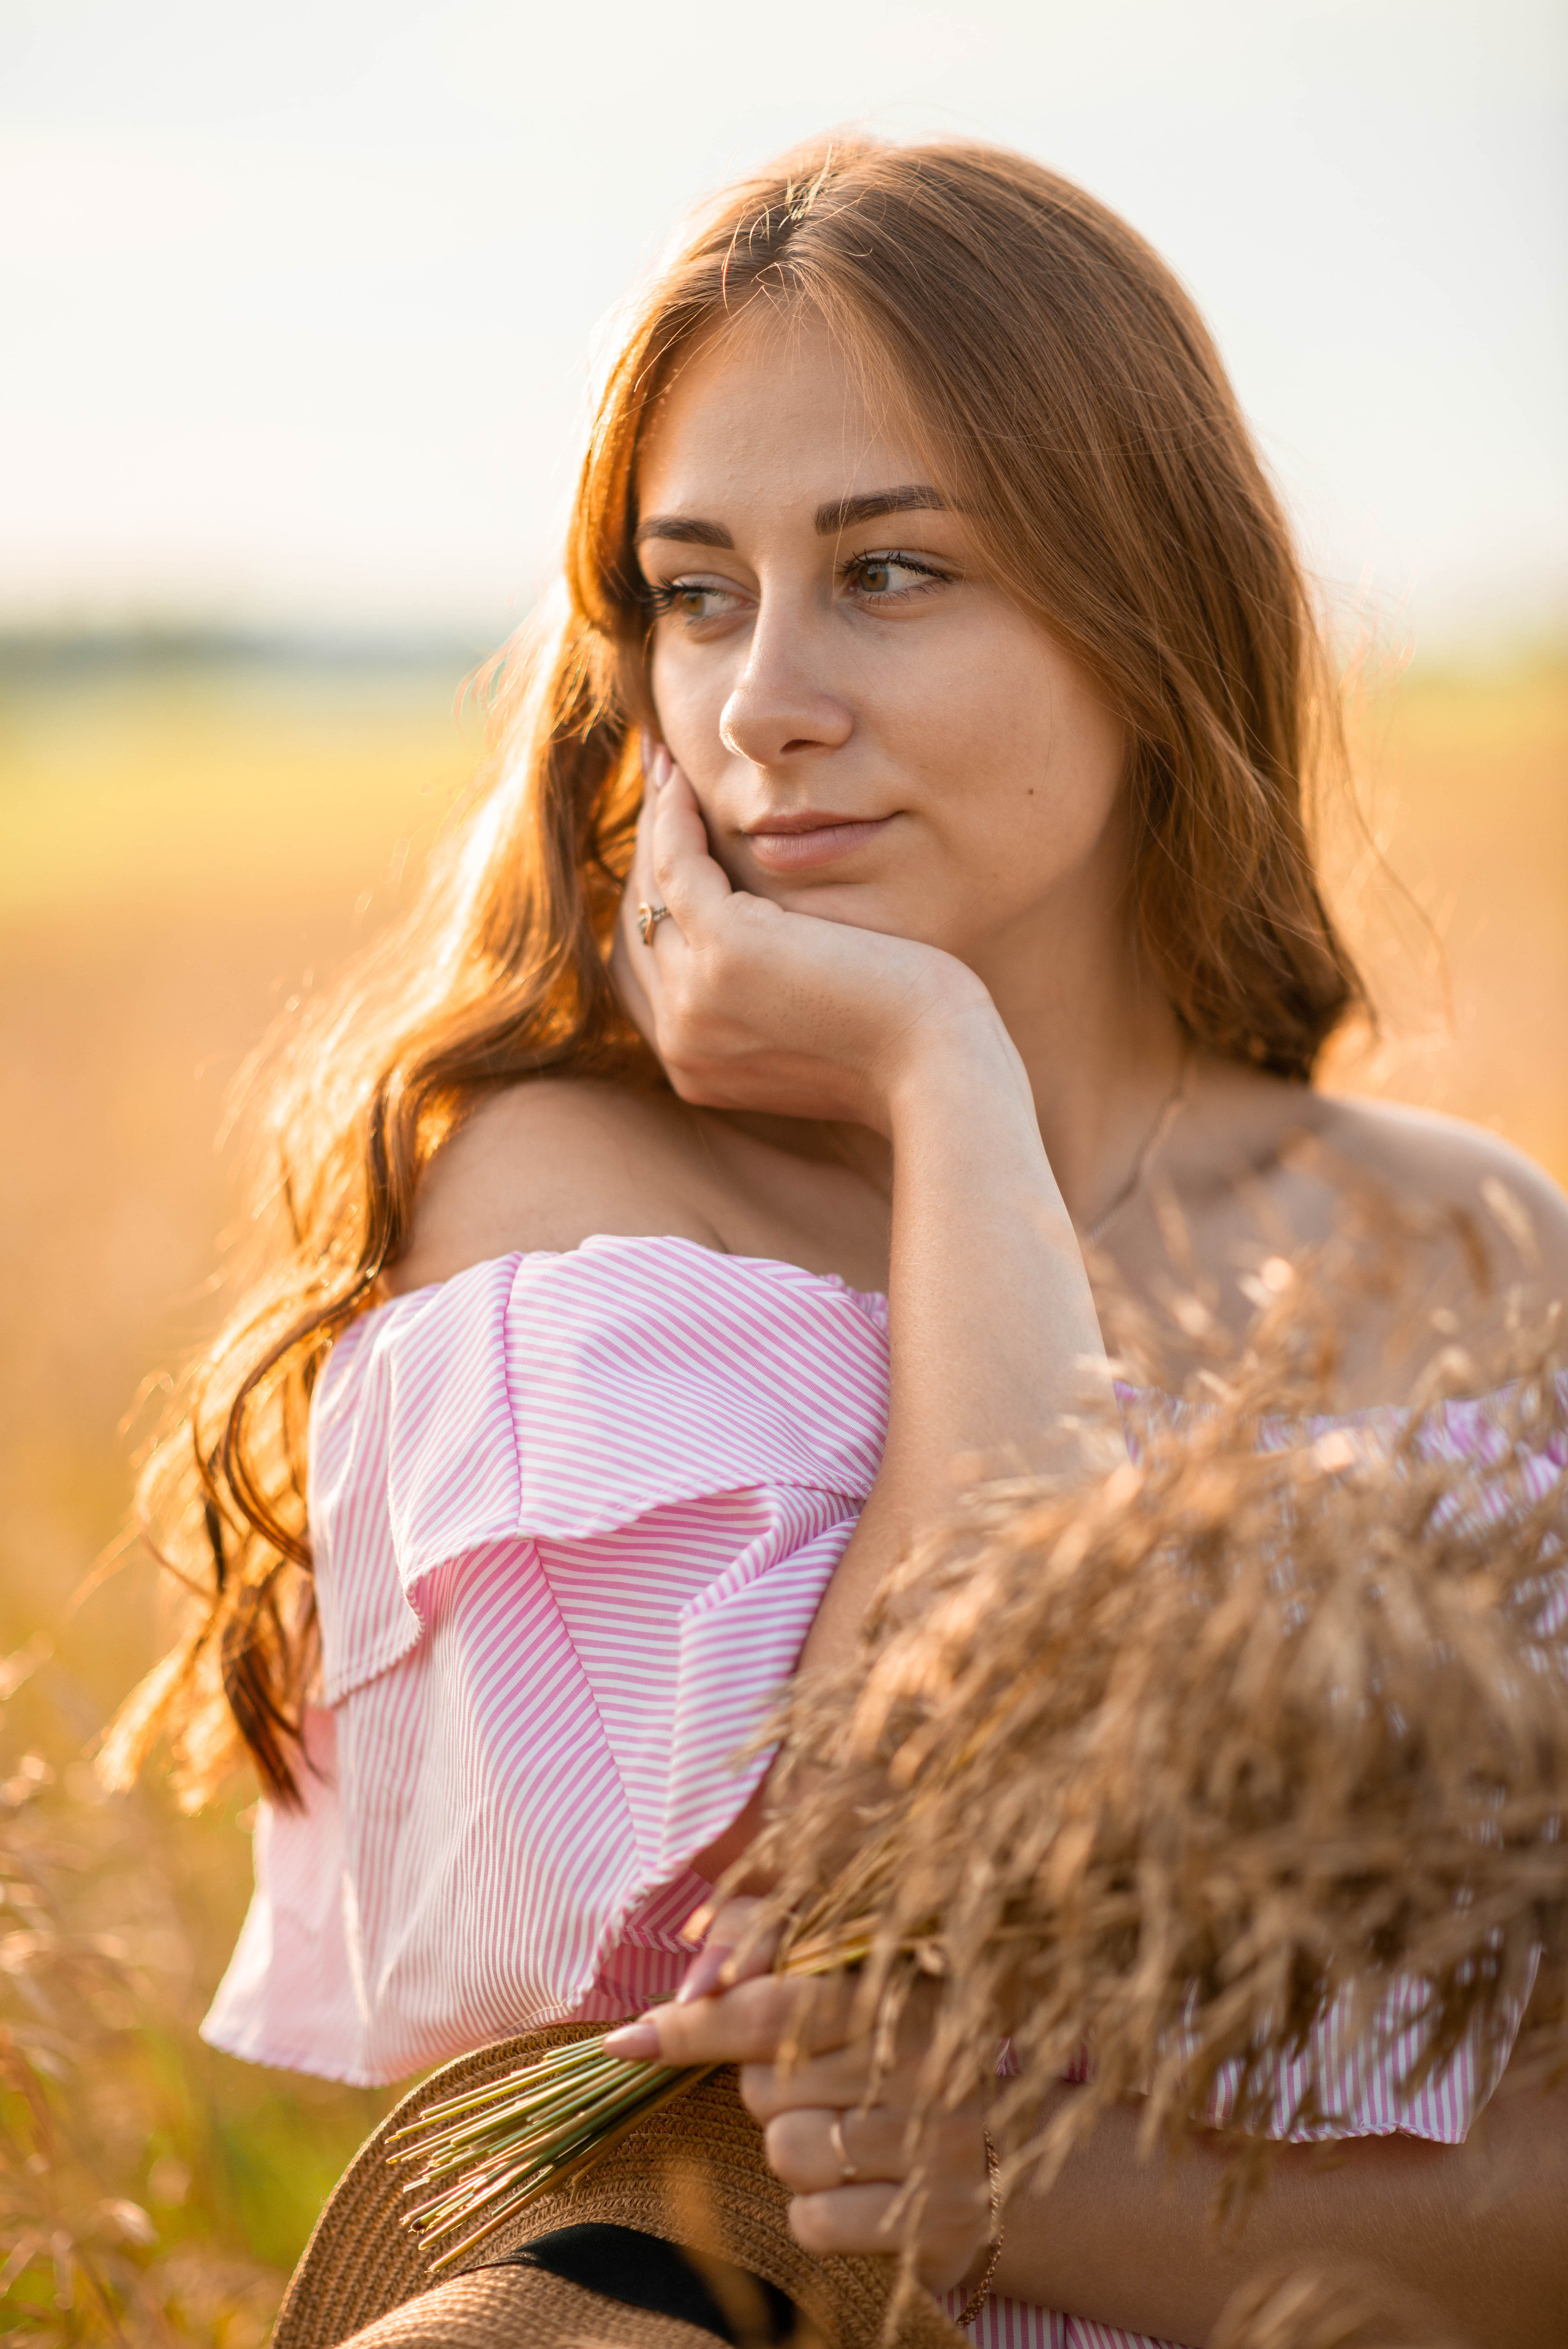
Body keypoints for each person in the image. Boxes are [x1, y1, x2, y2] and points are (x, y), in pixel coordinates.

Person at [123, 137, 1568, 2344]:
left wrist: (1074, 2207)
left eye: (890, 571)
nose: (761, 701)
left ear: (1152, 605)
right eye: (697, 594)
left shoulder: (1470, 1246)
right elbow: (866, 1925)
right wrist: (942, 1083)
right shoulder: (572, 1201)